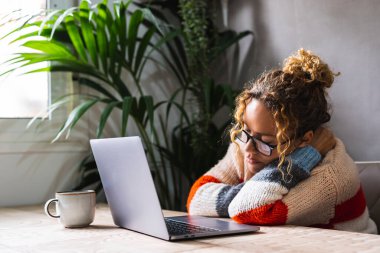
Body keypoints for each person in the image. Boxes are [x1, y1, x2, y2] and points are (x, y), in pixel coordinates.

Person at [186, 49, 378, 234]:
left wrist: (306, 156)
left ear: (305, 140)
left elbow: (248, 209)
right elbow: (195, 199)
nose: (248, 150)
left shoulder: (331, 176)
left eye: (267, 141)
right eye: (246, 131)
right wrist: (244, 189)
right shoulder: (246, 143)